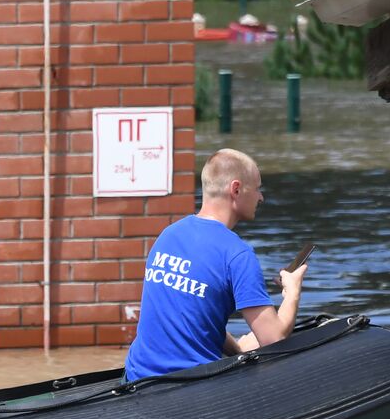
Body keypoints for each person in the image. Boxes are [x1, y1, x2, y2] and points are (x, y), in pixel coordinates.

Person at [124, 148, 307, 381]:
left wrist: (238, 350)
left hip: (136, 377)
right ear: (236, 189)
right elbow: (273, 340)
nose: (261, 197)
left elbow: (194, 317)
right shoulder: (237, 255)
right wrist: (292, 291)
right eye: (258, 188)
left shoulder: (168, 236)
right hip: (189, 387)